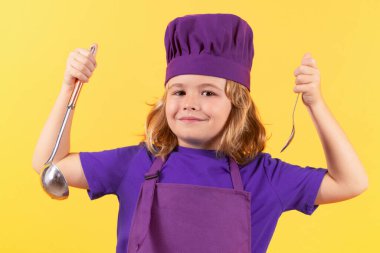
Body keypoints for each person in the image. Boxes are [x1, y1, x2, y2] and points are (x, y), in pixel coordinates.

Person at [32, 13, 368, 253]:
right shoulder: (136, 163)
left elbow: (351, 182)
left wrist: (316, 105)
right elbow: (50, 165)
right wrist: (69, 89)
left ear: (237, 104)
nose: (190, 103)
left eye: (208, 92)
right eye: (179, 92)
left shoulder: (263, 176)